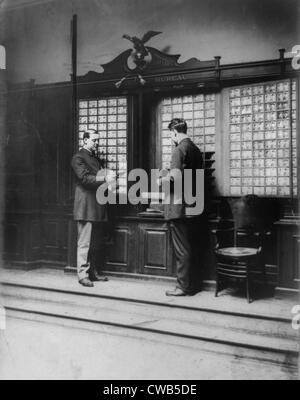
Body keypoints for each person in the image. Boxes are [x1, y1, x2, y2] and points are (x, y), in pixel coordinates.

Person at [159, 118, 205, 296]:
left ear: (175, 132)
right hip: (193, 206)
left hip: (178, 207)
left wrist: (161, 179)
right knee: (190, 246)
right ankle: (192, 285)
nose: (171, 137)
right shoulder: (195, 150)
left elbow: (174, 179)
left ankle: (182, 287)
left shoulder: (179, 150)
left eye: (171, 134)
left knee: (181, 249)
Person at [71, 130, 111, 287]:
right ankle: (82, 275)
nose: (97, 143)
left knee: (95, 242)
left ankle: (92, 272)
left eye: (98, 140)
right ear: (85, 140)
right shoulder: (78, 157)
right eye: (94, 140)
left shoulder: (93, 158)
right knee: (85, 243)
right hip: (86, 206)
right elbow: (84, 178)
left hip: (96, 205)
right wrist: (104, 178)